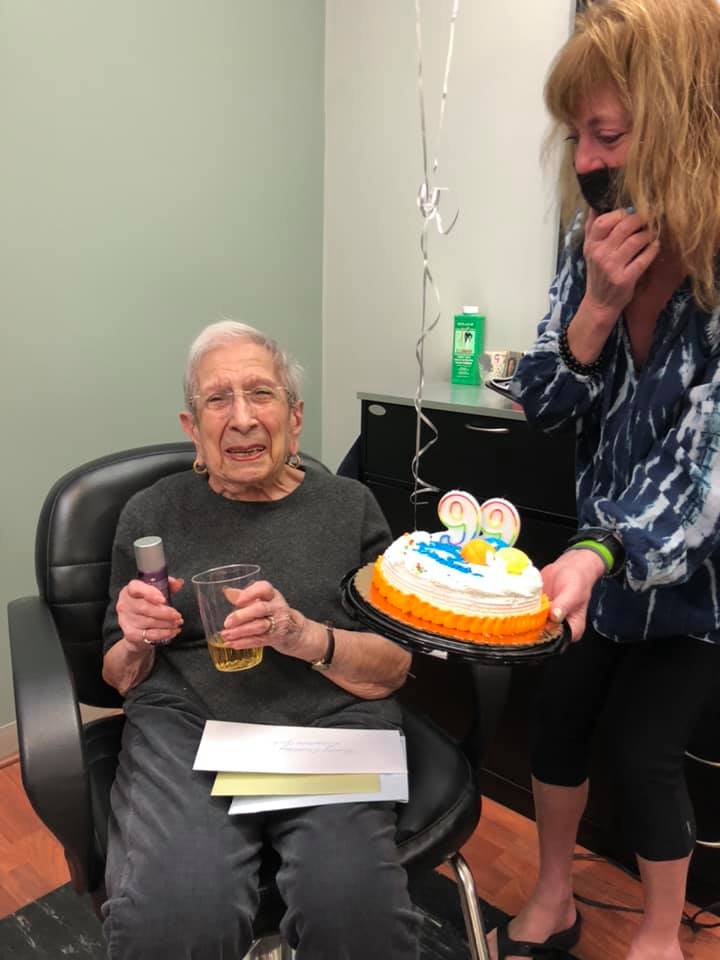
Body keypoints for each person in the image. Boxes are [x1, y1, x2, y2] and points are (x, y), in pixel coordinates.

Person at [495, 2, 720, 958]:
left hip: (695, 583)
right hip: (596, 564)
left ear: (684, 128)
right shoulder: (589, 242)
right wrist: (595, 307)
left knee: (645, 752)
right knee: (557, 719)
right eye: (577, 136)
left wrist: (599, 548)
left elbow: (703, 469)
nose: (587, 161)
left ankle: (661, 935)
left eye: (609, 135)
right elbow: (543, 401)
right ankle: (555, 897)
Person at [100, 320, 419, 960]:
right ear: (193, 428)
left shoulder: (350, 506)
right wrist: (136, 639)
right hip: (189, 726)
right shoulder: (151, 514)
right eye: (217, 399)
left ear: (294, 418)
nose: (242, 418)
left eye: (261, 394)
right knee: (178, 916)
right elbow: (118, 675)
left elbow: (391, 667)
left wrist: (305, 636)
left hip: (330, 726)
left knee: (354, 914)